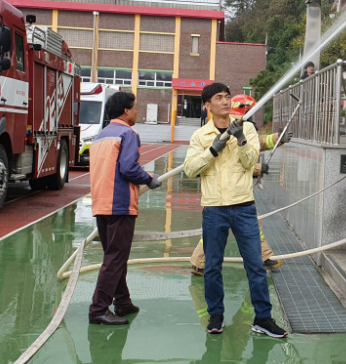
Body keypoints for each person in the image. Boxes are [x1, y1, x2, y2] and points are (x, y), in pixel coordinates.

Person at [183, 83, 287, 338]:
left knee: (255, 265)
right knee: (212, 267)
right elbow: (190, 169)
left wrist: (239, 138)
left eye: (227, 97)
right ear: (207, 105)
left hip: (243, 207)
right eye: (219, 98)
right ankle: (216, 316)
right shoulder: (201, 136)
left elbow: (250, 161)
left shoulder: (247, 128)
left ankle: (263, 318)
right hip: (214, 209)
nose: (225, 101)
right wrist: (214, 149)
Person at [189, 94, 290, 276]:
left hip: (235, 193)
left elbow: (259, 142)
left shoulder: (240, 127)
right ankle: (200, 262)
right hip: (221, 193)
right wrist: (258, 168)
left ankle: (262, 257)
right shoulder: (226, 130)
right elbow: (231, 164)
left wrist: (278, 138)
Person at [88, 91, 161, 326]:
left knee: (114, 256)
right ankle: (99, 309)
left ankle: (122, 301)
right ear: (126, 110)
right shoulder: (127, 133)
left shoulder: (101, 136)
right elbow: (128, 168)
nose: (137, 112)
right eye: (135, 107)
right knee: (116, 257)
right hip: (119, 204)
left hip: (101, 203)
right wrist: (149, 178)